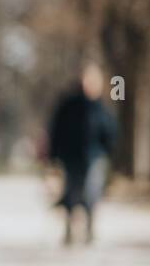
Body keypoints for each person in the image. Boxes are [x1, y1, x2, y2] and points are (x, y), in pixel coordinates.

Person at [47, 63, 117, 245]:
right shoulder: (68, 105)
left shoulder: (101, 107)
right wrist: (53, 156)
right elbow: (56, 130)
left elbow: (110, 133)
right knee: (72, 192)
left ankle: (90, 228)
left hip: (94, 157)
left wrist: (109, 151)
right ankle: (69, 228)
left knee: (91, 191)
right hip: (71, 157)